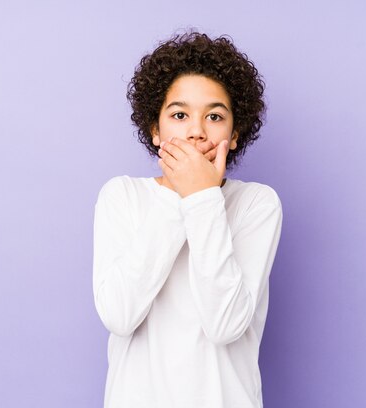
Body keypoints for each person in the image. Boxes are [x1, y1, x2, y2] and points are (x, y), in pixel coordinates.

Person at [92, 31, 283, 408]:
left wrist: (202, 198)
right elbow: (119, 315)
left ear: (235, 130)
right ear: (155, 129)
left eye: (214, 116)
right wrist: (179, 195)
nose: (196, 131)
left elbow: (225, 324)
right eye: (179, 115)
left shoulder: (256, 204)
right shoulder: (122, 196)